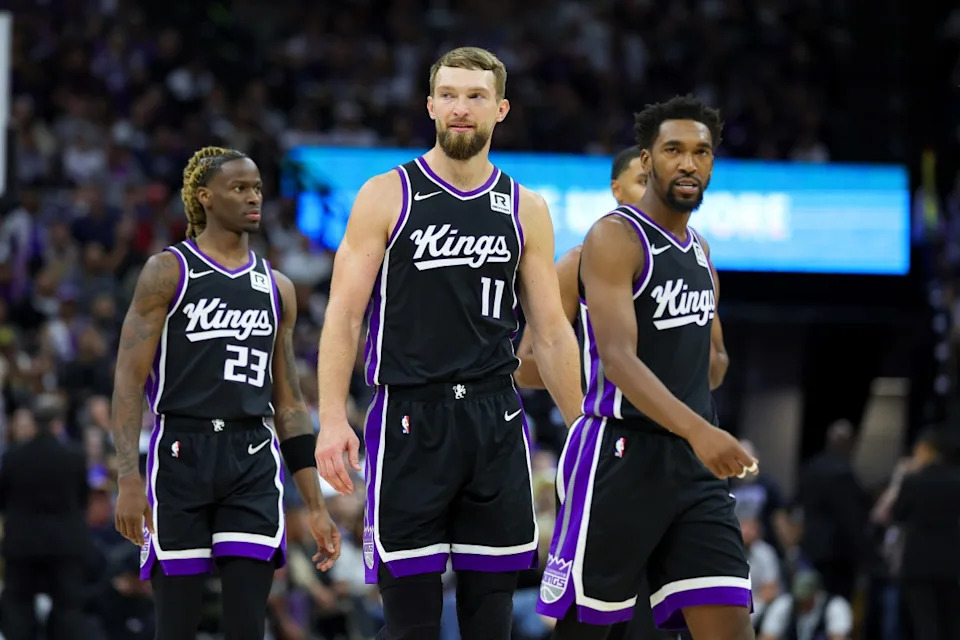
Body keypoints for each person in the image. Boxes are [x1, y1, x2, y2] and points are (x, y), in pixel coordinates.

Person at [314, 46, 583, 639]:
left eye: (477, 96)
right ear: (431, 104)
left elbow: (554, 333)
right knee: (411, 622)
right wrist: (332, 417)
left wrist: (585, 427)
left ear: (501, 109)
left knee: (491, 619)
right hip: (410, 414)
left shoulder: (525, 207)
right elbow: (344, 313)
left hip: (495, 417)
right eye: (451, 96)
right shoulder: (387, 194)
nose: (462, 108)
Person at [536, 95, 758, 640]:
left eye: (701, 152)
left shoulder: (701, 250)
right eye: (674, 150)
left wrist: (702, 365)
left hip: (693, 469)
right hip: (619, 454)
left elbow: (714, 362)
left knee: (729, 625)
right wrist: (701, 429)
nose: (688, 163)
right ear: (646, 160)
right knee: (584, 629)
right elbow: (616, 361)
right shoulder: (613, 236)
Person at [110, 146, 342, 640]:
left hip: (251, 458)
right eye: (239, 188)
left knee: (246, 626)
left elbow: (291, 404)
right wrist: (128, 477)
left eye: (257, 187)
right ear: (204, 198)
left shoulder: (277, 287)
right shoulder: (167, 272)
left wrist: (315, 505)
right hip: (180, 453)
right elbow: (128, 384)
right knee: (175, 626)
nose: (253, 197)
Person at [513, 145, 647, 390]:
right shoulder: (578, 262)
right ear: (617, 189)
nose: (653, 194)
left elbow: (716, 363)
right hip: (610, 422)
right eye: (643, 182)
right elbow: (526, 368)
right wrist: (612, 373)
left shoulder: (697, 257)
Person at [0, 394, 88, 640]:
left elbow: (3, 499)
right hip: (65, 543)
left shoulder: (13, 457)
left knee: (18, 605)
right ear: (58, 422)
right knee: (67, 607)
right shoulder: (75, 456)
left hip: (22, 543)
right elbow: (82, 499)